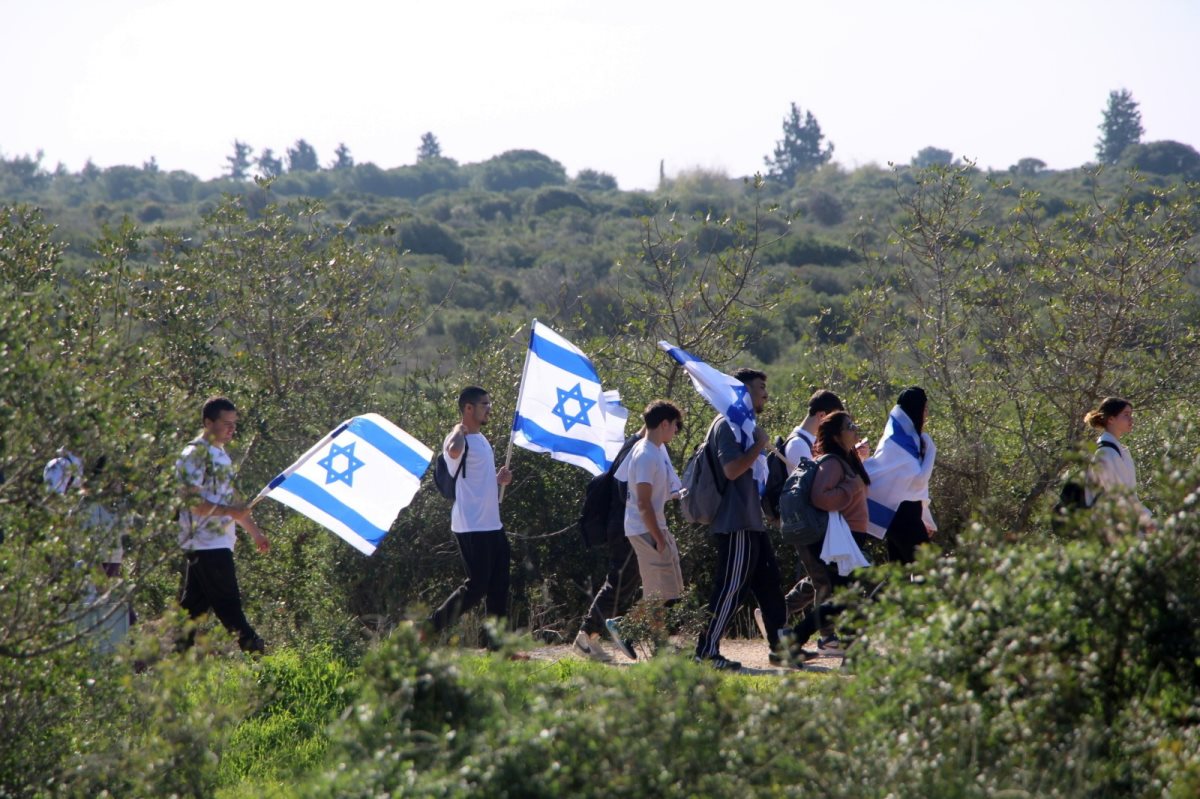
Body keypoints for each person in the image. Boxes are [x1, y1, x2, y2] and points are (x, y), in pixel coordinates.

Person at [694, 368, 790, 670]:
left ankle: (782, 650)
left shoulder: (744, 426)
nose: (766, 395)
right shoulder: (727, 424)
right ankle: (705, 652)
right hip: (735, 522)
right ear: (743, 391)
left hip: (752, 522)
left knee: (769, 585)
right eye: (761, 387)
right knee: (730, 588)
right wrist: (760, 444)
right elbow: (732, 470)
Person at [177, 396, 269, 654]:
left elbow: (233, 503)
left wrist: (255, 533)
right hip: (204, 541)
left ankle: (173, 660)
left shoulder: (221, 457)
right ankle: (256, 652)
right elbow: (192, 502)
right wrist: (230, 511)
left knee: (193, 608)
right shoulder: (195, 455)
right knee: (228, 604)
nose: (231, 429)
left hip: (219, 541)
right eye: (226, 423)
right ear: (208, 423)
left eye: (234, 424)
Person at [427, 386, 514, 647]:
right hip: (471, 525)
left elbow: (476, 479)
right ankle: (429, 629)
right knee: (476, 588)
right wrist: (458, 428)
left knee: (499, 585)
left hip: (492, 524)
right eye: (484, 404)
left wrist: (498, 479)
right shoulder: (457, 438)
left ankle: (497, 647)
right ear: (468, 408)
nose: (489, 408)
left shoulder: (482, 439)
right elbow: (453, 452)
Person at [603, 402, 686, 660]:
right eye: (675, 425)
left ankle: (649, 640)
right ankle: (634, 633)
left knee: (667, 590)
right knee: (657, 592)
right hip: (645, 530)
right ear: (664, 424)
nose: (676, 431)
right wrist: (658, 538)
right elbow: (643, 502)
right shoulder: (645, 454)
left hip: (654, 527)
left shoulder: (654, 451)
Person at [789, 411, 872, 654]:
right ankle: (796, 640)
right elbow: (820, 497)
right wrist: (851, 486)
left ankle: (797, 641)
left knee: (845, 597)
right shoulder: (833, 463)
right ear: (836, 436)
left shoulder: (846, 459)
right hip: (842, 539)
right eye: (850, 426)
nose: (855, 429)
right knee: (845, 597)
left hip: (851, 537)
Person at [574, 428, 645, 662]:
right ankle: (585, 636)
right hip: (625, 527)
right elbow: (627, 493)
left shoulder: (633, 446)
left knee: (624, 583)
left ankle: (589, 637)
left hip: (623, 526)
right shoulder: (636, 449)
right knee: (619, 583)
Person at [864, 387, 937, 565]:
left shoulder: (912, 440)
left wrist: (924, 518)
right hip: (902, 518)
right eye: (925, 409)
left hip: (902, 516)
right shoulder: (895, 442)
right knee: (928, 570)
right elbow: (917, 481)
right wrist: (931, 450)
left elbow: (910, 487)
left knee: (901, 572)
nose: (926, 414)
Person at [1084, 397, 1154, 533]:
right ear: (1111, 419)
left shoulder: (1116, 450)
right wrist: (1146, 522)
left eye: (1131, 414)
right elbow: (1119, 496)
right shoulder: (1106, 453)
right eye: (1126, 415)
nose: (1131, 419)